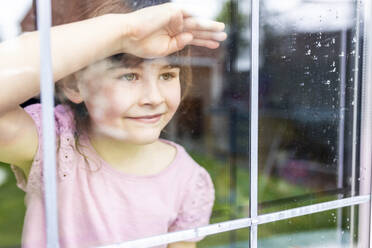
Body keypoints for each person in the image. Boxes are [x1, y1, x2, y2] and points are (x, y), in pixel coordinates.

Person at [0, 0, 227, 247]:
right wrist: (125, 31)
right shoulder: (54, 145)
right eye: (130, 75)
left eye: (167, 75)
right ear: (75, 85)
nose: (154, 98)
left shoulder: (188, 180)